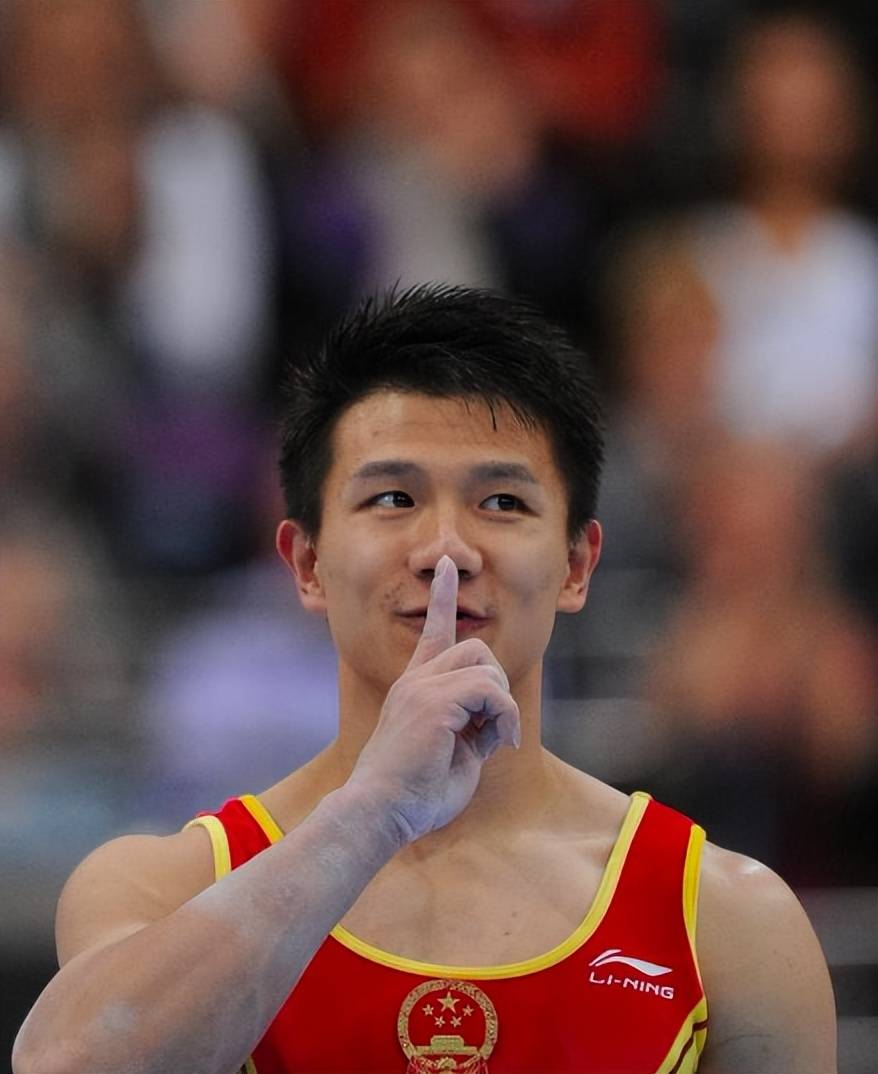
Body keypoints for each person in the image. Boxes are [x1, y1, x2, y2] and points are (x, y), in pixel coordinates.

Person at [13, 286, 836, 1074]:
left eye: (503, 502)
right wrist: (371, 814)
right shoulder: (165, 884)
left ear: (578, 565)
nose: (447, 551)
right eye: (393, 498)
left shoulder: (726, 920)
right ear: (306, 563)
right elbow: (67, 1063)